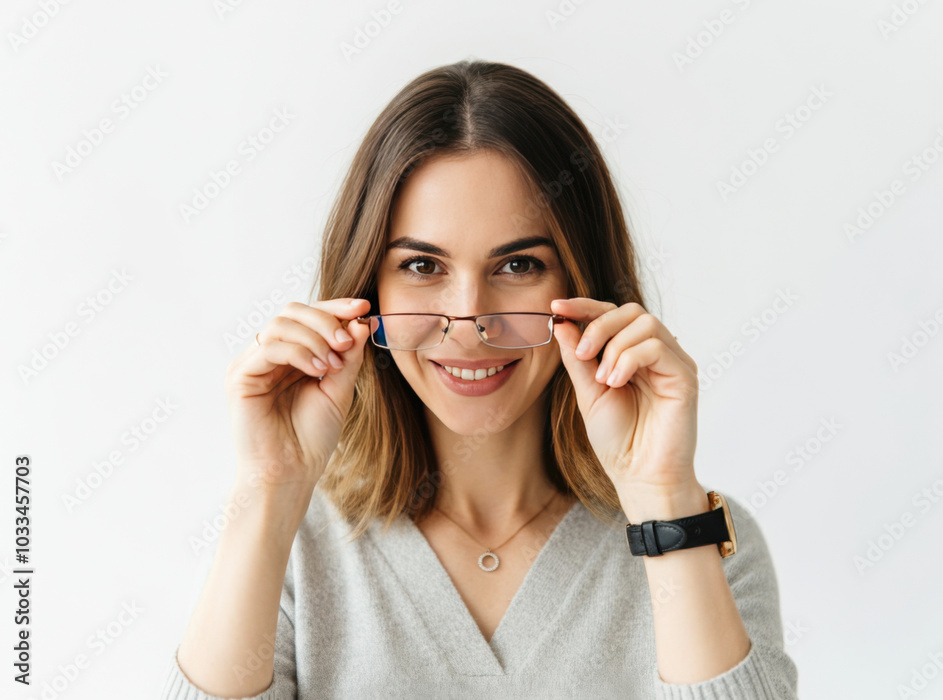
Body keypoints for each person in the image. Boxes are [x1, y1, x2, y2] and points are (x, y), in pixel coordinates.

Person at [160, 59, 799, 699]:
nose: (468, 320)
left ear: (581, 286)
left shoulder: (702, 534)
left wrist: (659, 495)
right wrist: (270, 487)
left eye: (518, 264)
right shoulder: (293, 546)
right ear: (367, 292)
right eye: (421, 266)